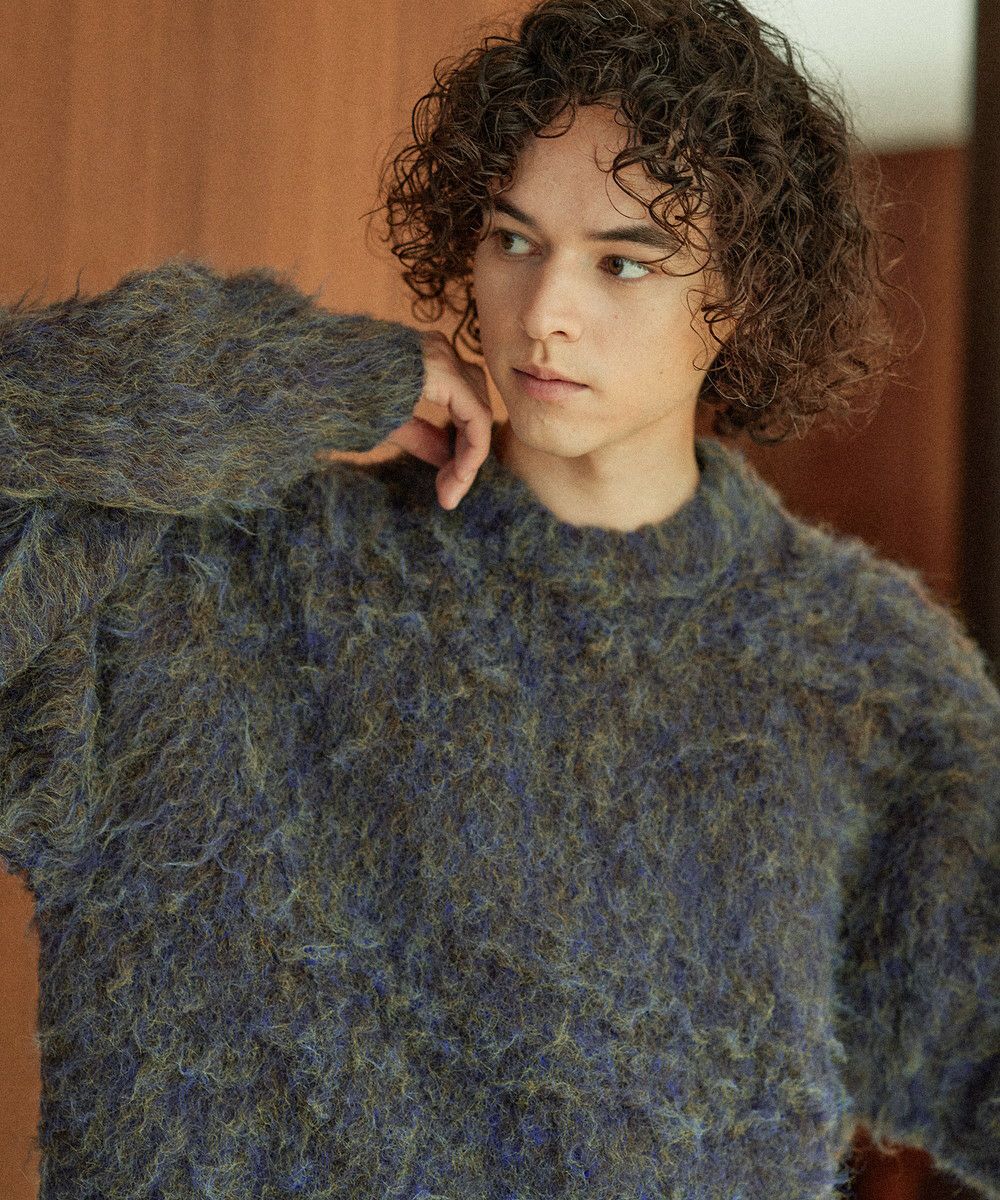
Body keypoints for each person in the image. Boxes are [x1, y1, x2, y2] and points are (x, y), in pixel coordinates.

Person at [1, 1, 997, 1198]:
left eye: (622, 261)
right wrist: (305, 375)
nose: (544, 310)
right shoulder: (207, 575)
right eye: (513, 239)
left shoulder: (859, 669)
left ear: (741, 299)